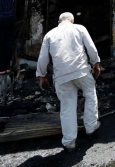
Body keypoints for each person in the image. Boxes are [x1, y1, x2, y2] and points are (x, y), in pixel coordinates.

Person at [37, 12, 101, 152]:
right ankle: (90, 126)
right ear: (72, 20)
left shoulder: (49, 34)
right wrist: (95, 63)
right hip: (81, 71)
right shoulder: (79, 28)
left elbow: (42, 58)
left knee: (67, 107)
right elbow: (91, 48)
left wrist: (41, 75)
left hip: (61, 76)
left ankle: (69, 142)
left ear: (59, 22)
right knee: (90, 94)